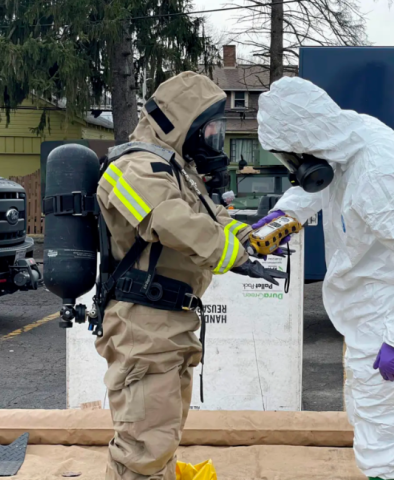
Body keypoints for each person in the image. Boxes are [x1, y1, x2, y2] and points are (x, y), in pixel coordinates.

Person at [257, 77, 394, 480]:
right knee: (373, 423)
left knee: (390, 437)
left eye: (294, 161)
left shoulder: (380, 173)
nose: (297, 171)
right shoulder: (343, 139)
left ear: (308, 143)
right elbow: (318, 184)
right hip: (369, 311)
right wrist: (283, 218)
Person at [95, 71, 285, 480]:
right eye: (209, 130)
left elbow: (212, 218)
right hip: (142, 324)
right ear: (180, 122)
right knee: (143, 447)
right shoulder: (129, 168)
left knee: (161, 437)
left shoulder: (175, 171)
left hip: (170, 323)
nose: (213, 141)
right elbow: (165, 219)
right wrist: (228, 252)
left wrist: (250, 240)